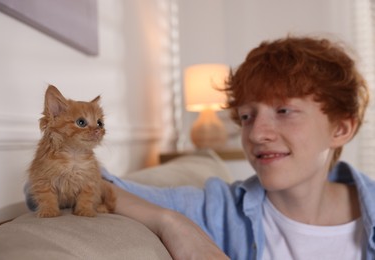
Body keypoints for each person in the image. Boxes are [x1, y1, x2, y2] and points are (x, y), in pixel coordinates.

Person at [26, 36, 374, 259]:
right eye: (247, 116)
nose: (257, 133)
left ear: (341, 128)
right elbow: (46, 185)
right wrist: (171, 222)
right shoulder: (214, 209)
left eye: (284, 111)